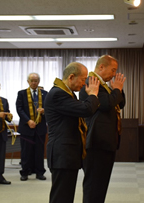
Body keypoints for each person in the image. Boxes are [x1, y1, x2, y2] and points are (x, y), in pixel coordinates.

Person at [44, 62, 100, 203]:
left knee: (66, 196)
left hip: (67, 153)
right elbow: (86, 110)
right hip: (62, 153)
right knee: (61, 197)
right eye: (83, 79)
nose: (84, 83)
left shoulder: (67, 93)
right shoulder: (58, 94)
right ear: (71, 77)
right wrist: (93, 94)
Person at [79, 55, 126, 203]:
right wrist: (116, 90)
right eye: (113, 70)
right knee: (94, 184)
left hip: (106, 141)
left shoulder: (104, 85)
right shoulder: (91, 82)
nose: (114, 74)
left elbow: (120, 103)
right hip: (96, 141)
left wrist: (118, 90)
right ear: (101, 67)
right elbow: (105, 104)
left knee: (101, 183)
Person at [16, 73, 48, 181]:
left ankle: (40, 172)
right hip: (26, 127)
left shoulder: (45, 94)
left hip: (40, 127)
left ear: (39, 82)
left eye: (36, 80)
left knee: (39, 151)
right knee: (26, 151)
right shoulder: (22, 94)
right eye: (32, 80)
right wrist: (28, 121)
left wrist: (44, 111)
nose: (34, 82)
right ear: (28, 82)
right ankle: (25, 172)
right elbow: (19, 109)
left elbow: (50, 108)